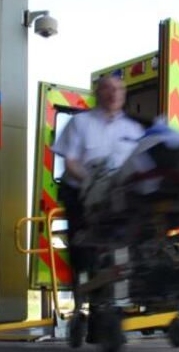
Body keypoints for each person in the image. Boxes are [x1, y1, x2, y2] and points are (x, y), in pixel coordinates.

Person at [52, 75, 144, 337]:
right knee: (85, 252)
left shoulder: (133, 131)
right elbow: (70, 163)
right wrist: (94, 183)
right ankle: (85, 305)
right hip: (81, 193)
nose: (113, 94)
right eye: (107, 89)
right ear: (98, 93)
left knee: (121, 248)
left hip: (117, 196)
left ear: (124, 94)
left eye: (118, 89)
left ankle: (111, 308)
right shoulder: (80, 123)